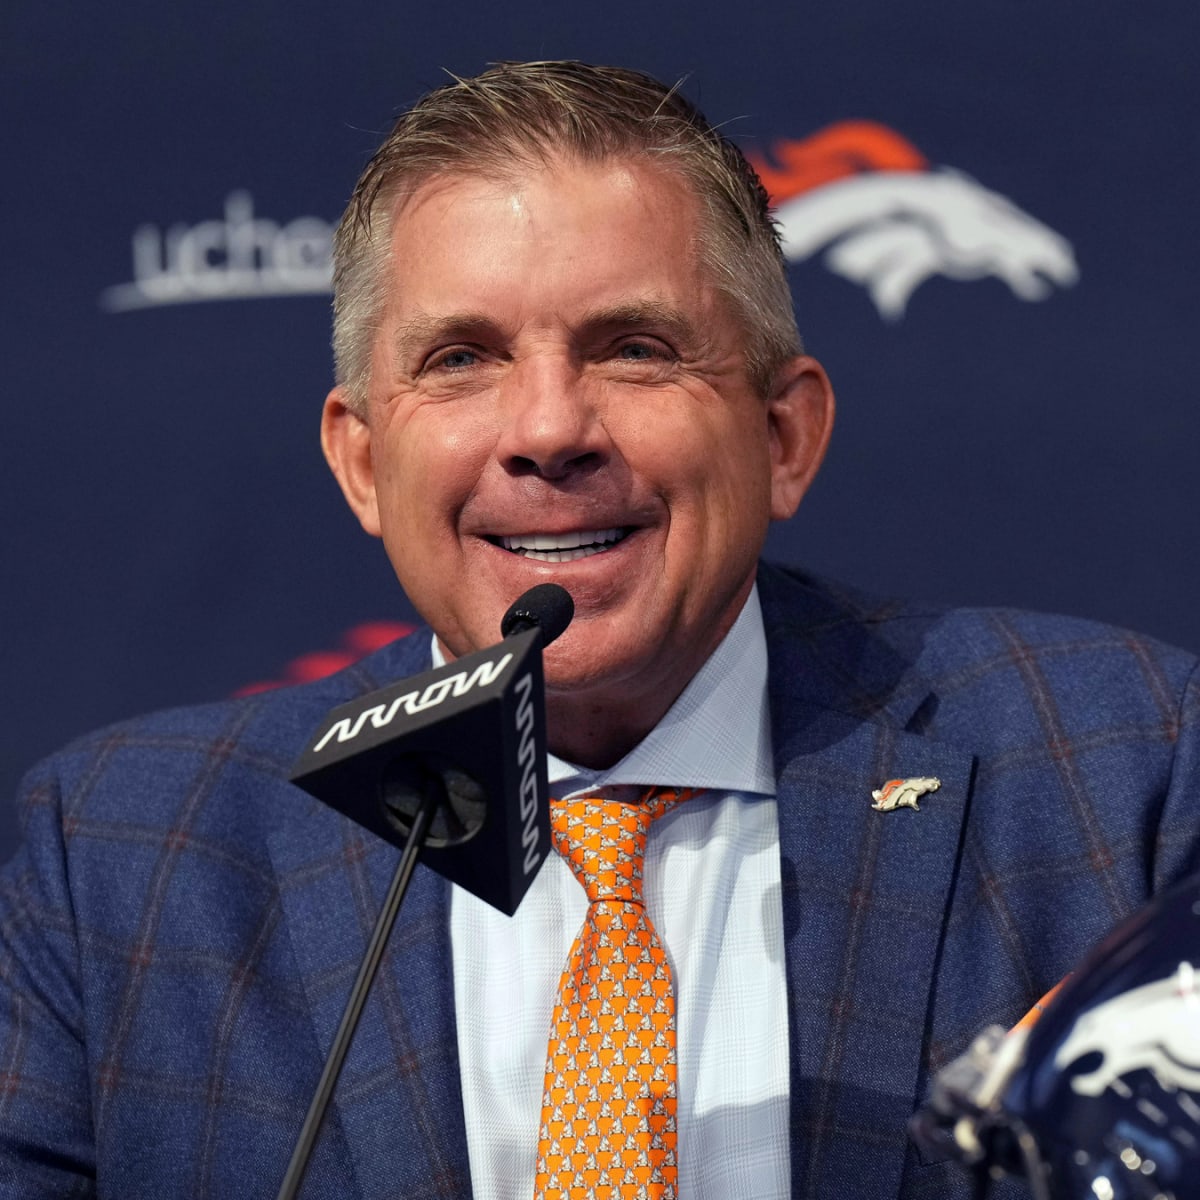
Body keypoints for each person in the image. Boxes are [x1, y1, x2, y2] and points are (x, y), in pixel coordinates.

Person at [0, 61, 1197, 1200]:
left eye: (634, 348)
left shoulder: (1127, 773)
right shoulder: (122, 862)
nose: (547, 427)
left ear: (784, 437)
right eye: (462, 359)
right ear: (363, 463)